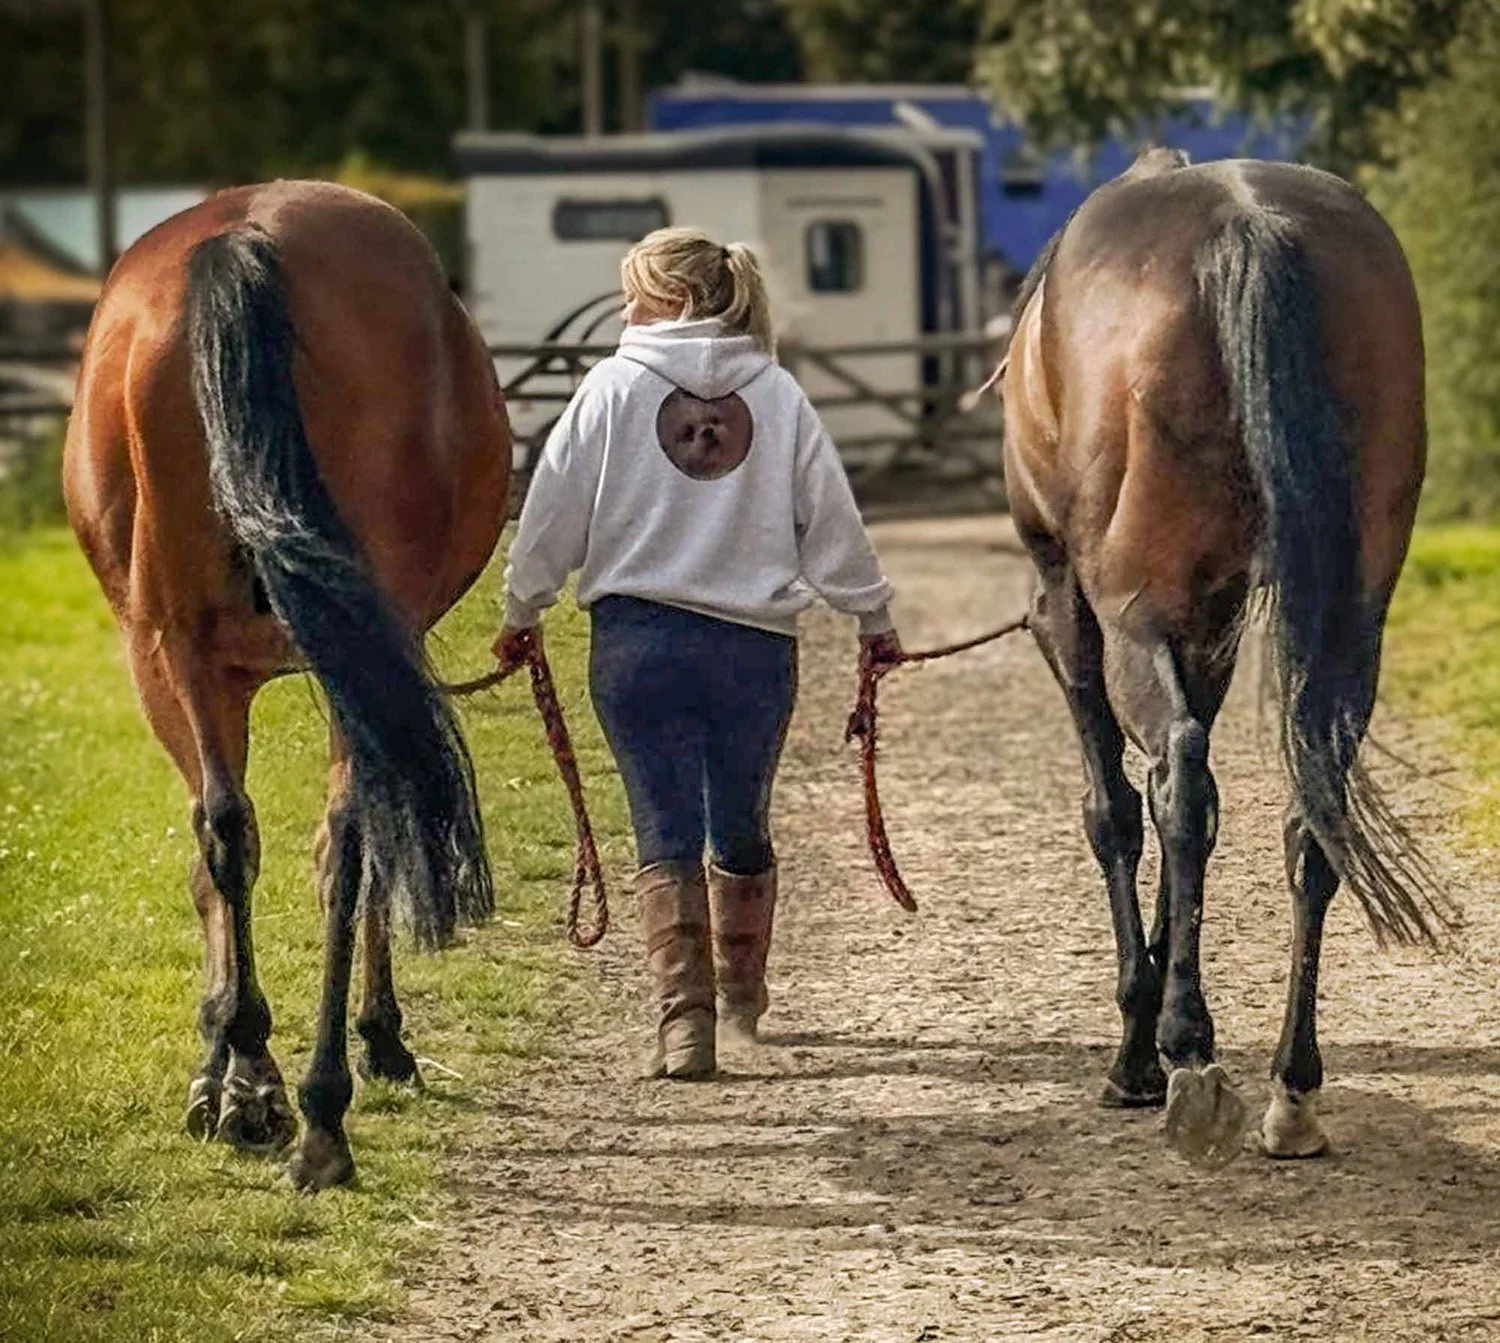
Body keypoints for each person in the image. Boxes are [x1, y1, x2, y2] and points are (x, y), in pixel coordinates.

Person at [495, 226, 901, 1080]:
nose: (625, 312)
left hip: (638, 642)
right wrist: (871, 617)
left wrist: (522, 605)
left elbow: (552, 511)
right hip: (754, 650)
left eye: (634, 295)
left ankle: (686, 1024)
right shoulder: (779, 394)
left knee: (661, 824)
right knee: (741, 819)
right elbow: (830, 521)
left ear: (671, 302)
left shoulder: (609, 388)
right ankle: (743, 998)